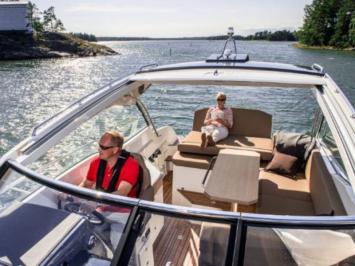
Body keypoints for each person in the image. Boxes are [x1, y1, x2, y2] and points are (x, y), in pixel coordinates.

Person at [80, 131, 139, 198]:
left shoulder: (131, 165)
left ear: (115, 150)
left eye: (103, 147)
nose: (99, 149)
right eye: (99, 145)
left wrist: (97, 203)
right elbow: (86, 184)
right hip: (100, 202)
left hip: (121, 205)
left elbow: (122, 193)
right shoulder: (96, 162)